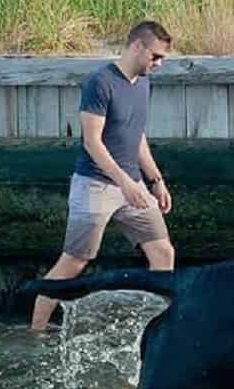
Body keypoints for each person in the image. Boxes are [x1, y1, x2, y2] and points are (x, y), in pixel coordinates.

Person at [30, 19, 176, 331]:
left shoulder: (143, 83)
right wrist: (125, 182)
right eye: (156, 56)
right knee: (76, 261)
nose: (159, 64)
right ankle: (37, 330)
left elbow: (136, 136)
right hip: (96, 185)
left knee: (163, 252)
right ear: (137, 46)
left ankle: (156, 329)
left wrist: (155, 179)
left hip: (133, 184)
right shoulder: (100, 82)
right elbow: (92, 142)